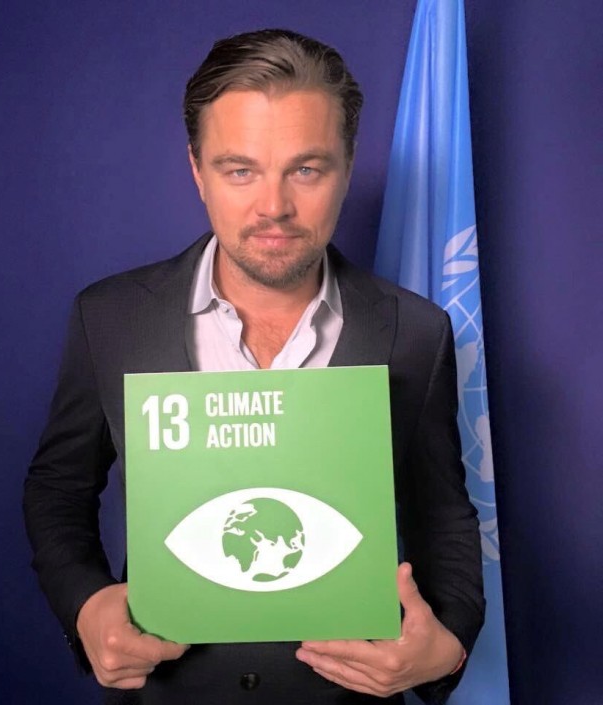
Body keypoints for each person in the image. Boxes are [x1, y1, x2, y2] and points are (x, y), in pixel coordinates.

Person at [24, 28, 484, 705]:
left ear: (347, 166)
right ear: (197, 169)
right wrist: (86, 603)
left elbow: (442, 512)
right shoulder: (110, 318)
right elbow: (58, 488)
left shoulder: (416, 333)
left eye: (306, 169)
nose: (274, 207)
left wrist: (448, 646)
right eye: (240, 170)